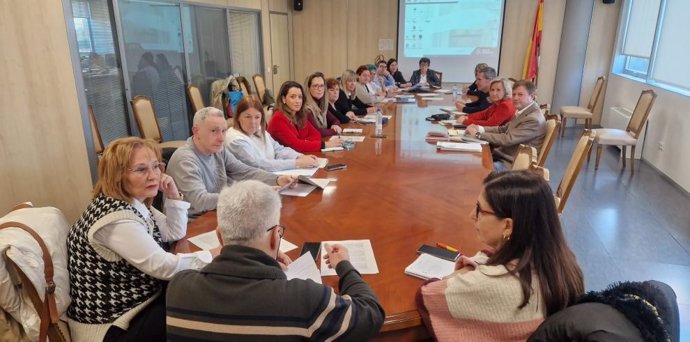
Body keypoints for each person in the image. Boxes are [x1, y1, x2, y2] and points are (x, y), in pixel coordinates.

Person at [166, 180, 386, 341]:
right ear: (275, 237)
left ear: (220, 236)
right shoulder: (306, 300)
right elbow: (371, 314)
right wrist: (344, 266)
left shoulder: (178, 288)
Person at [66, 137, 218, 342]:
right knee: (202, 308)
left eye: (156, 166)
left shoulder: (133, 203)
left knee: (199, 296)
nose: (154, 176)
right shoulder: (116, 220)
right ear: (118, 175)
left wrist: (173, 195)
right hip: (114, 324)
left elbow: (174, 232)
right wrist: (214, 254)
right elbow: (163, 267)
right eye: (141, 169)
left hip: (138, 304)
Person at [417, 170, 584, 341]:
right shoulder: (565, 264)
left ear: (507, 226)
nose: (472, 216)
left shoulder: (492, 283)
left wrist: (465, 271)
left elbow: (428, 295)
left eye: (480, 210)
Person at [167, 107, 294, 216]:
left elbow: (244, 171)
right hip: (193, 226)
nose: (221, 138)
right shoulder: (184, 160)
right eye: (214, 131)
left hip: (218, 213)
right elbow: (201, 201)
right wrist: (248, 196)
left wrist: (277, 179)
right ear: (196, 131)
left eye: (223, 131)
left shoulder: (218, 150)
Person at [466, 80, 545, 171]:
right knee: (470, 161)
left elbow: (507, 139)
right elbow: (503, 129)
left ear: (531, 96)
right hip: (503, 157)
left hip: (512, 165)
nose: (515, 98)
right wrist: (479, 128)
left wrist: (478, 134)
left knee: (472, 168)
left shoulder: (533, 119)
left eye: (520, 95)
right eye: (514, 94)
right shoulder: (524, 111)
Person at [226, 95, 319, 171]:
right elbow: (259, 165)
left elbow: (278, 149)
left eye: (257, 117)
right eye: (247, 117)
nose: (253, 122)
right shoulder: (235, 140)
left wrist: (299, 157)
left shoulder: (258, 130)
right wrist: (296, 163)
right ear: (238, 117)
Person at [267, 81, 343, 153]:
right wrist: (325, 145)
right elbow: (296, 146)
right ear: (284, 99)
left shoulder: (299, 114)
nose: (298, 101)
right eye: (293, 97)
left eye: (300, 97)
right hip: (286, 161)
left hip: (302, 155)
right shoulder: (278, 119)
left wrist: (302, 142)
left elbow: (316, 135)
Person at [303, 71, 342, 137]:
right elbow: (318, 132)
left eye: (321, 86)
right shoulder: (307, 108)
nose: (319, 89)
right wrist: (334, 130)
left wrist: (334, 125)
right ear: (308, 88)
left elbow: (335, 120)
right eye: (315, 86)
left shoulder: (321, 104)